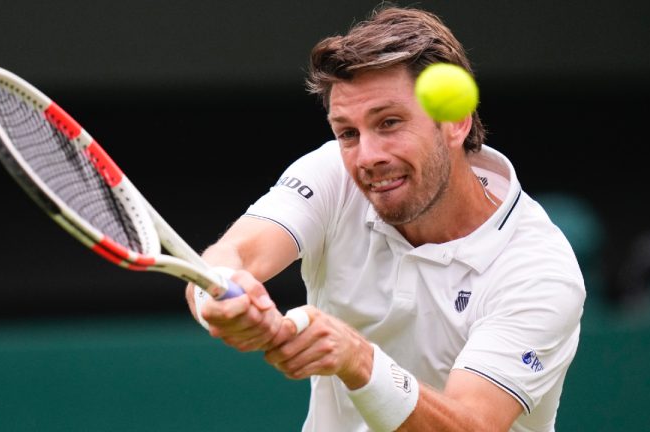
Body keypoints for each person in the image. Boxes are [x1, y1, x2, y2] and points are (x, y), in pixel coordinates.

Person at [186, 5, 586, 432]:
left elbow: (474, 425)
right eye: (348, 133)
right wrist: (220, 300)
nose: (368, 156)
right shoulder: (333, 175)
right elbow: (234, 255)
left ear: (454, 123)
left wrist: (359, 360)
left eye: (389, 122)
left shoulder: (539, 271)